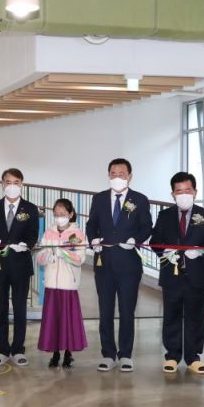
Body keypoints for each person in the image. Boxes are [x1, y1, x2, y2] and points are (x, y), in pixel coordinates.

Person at [85, 158, 153, 373]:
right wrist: (93, 240)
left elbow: (147, 226)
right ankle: (108, 354)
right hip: (104, 263)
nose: (117, 177)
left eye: (121, 174)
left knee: (127, 311)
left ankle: (125, 354)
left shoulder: (139, 199)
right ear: (108, 175)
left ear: (129, 176)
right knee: (105, 311)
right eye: (113, 173)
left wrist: (136, 240)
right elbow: (91, 224)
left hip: (129, 265)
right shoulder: (99, 198)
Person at [150, 172, 204, 375]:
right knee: (171, 315)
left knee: (195, 316)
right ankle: (172, 355)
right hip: (171, 274)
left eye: (187, 190)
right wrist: (164, 252)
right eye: (179, 191)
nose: (183, 194)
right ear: (173, 194)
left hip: (197, 274)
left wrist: (200, 250)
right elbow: (155, 242)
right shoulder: (165, 216)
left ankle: (193, 357)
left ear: (195, 192)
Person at [0, 168, 39, 367]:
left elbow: (33, 235)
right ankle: (1, 349)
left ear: (21, 184)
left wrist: (26, 244)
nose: (12, 186)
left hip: (21, 265)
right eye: (8, 182)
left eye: (16, 182)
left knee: (19, 307)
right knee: (0, 306)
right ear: (2, 185)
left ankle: (18, 349)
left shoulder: (30, 208)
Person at [36, 199, 89, 369]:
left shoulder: (77, 234)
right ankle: (55, 353)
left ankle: (68, 353)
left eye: (63, 214)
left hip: (68, 284)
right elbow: (39, 258)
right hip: (52, 284)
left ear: (70, 214)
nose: (59, 217)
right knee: (53, 320)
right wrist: (49, 255)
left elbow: (80, 258)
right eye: (56, 214)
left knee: (67, 320)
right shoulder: (48, 233)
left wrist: (63, 253)